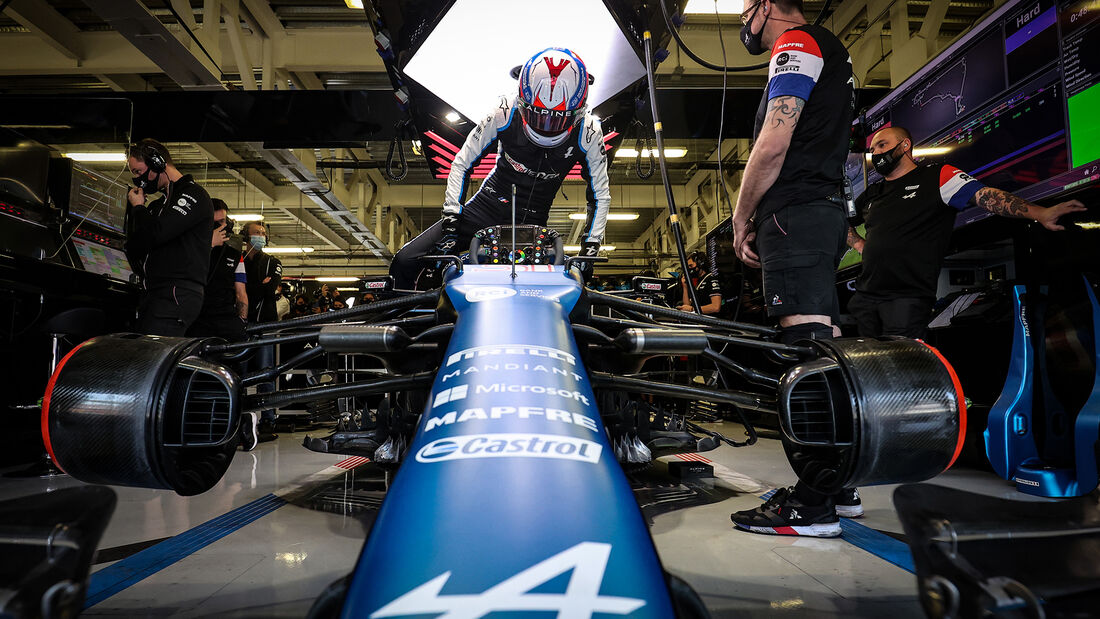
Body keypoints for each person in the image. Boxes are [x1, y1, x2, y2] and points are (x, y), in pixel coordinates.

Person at [727, 0, 858, 538]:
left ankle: (813, 503)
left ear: (766, 6)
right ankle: (835, 486)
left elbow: (773, 142)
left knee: (803, 358)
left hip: (795, 216)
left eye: (744, 10)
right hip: (819, 212)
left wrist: (740, 217)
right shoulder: (832, 51)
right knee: (825, 353)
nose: (742, 23)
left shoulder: (797, 43)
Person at [389, 47, 611, 288]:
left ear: (578, 111)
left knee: (569, 285)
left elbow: (600, 194)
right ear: (522, 100)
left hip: (534, 224)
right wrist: (451, 222)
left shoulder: (589, 132)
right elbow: (462, 164)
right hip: (485, 208)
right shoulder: (504, 112)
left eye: (557, 118)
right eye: (539, 116)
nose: (547, 125)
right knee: (405, 261)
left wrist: (590, 248)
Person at [846, 126, 1087, 338]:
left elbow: (986, 197)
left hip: (906, 297)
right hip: (866, 299)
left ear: (905, 145)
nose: (876, 153)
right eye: (873, 149)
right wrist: (858, 244)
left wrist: (1039, 213)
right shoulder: (873, 193)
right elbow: (839, 219)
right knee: (866, 375)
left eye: (882, 145)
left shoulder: (937, 176)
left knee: (900, 373)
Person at [124, 139, 213, 336]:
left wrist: (139, 208)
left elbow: (158, 234)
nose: (138, 179)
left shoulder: (192, 195)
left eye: (138, 171)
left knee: (152, 354)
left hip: (175, 292)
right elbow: (136, 244)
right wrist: (138, 211)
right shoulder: (161, 205)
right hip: (157, 293)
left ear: (157, 163)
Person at [242, 222, 282, 443]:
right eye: (257, 233)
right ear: (246, 236)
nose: (261, 237)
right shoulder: (237, 260)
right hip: (243, 324)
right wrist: (258, 286)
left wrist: (249, 287)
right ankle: (240, 417)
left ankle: (268, 419)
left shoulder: (273, 262)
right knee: (242, 373)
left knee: (267, 372)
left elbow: (268, 290)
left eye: (264, 234)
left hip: (265, 325)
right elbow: (235, 288)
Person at [187, 199, 248, 342]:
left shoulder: (235, 255)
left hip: (225, 319)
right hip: (196, 319)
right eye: (218, 223)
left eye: (224, 221)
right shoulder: (189, 248)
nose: (224, 226)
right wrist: (209, 244)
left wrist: (242, 321)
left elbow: (241, 293)